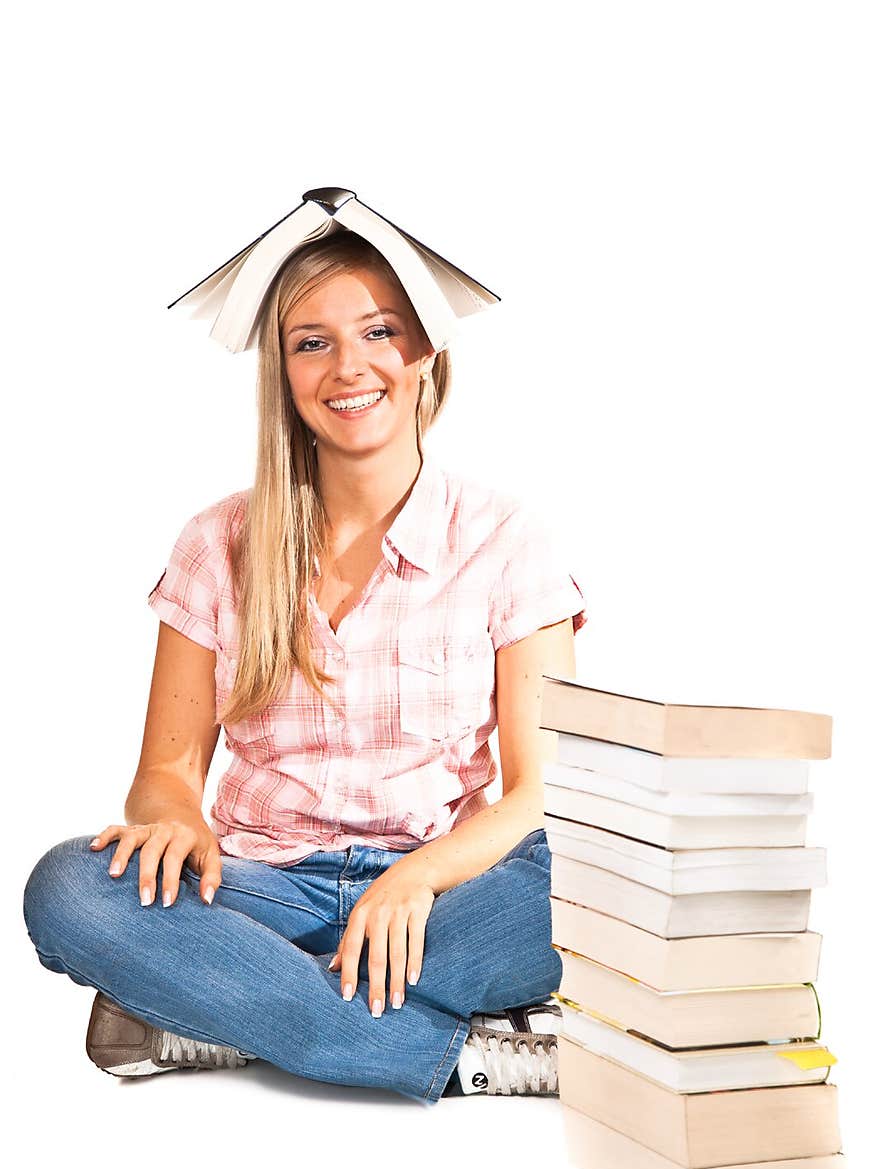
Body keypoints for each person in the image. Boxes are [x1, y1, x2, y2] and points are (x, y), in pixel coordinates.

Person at [21, 228, 587, 1104]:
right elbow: (166, 774)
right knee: (70, 888)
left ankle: (228, 1010)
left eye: (379, 332)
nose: (348, 367)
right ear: (282, 373)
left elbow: (540, 794)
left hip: (445, 894)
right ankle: (453, 1053)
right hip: (262, 892)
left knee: (590, 891)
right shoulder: (219, 542)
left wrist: (414, 878)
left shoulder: (509, 540)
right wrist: (174, 822)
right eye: (311, 343)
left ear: (425, 349)